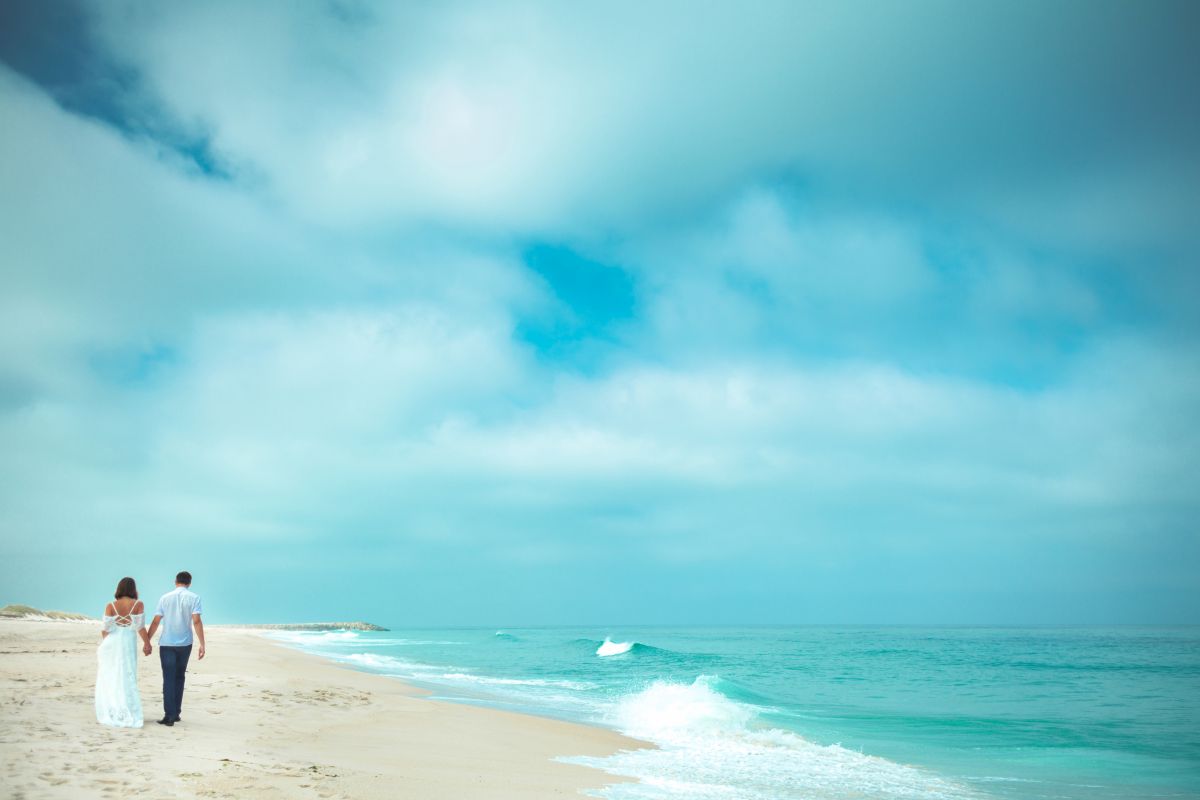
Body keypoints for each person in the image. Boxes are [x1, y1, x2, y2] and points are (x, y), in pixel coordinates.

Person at [146, 571, 205, 727]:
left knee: (168, 678)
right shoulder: (195, 598)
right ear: (189, 583)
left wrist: (147, 640)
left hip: (167, 643)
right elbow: (197, 621)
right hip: (185, 643)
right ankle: (176, 712)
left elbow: (156, 621)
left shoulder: (164, 598)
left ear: (175, 581)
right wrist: (202, 644)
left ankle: (169, 715)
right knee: (180, 677)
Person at [94, 577, 153, 727]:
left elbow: (106, 629)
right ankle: (129, 710)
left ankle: (114, 709)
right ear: (133, 589)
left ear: (119, 588)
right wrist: (147, 643)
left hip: (112, 642)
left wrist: (107, 645)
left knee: (112, 675)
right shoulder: (138, 604)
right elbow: (140, 627)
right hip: (128, 641)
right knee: (128, 675)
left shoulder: (111, 606)